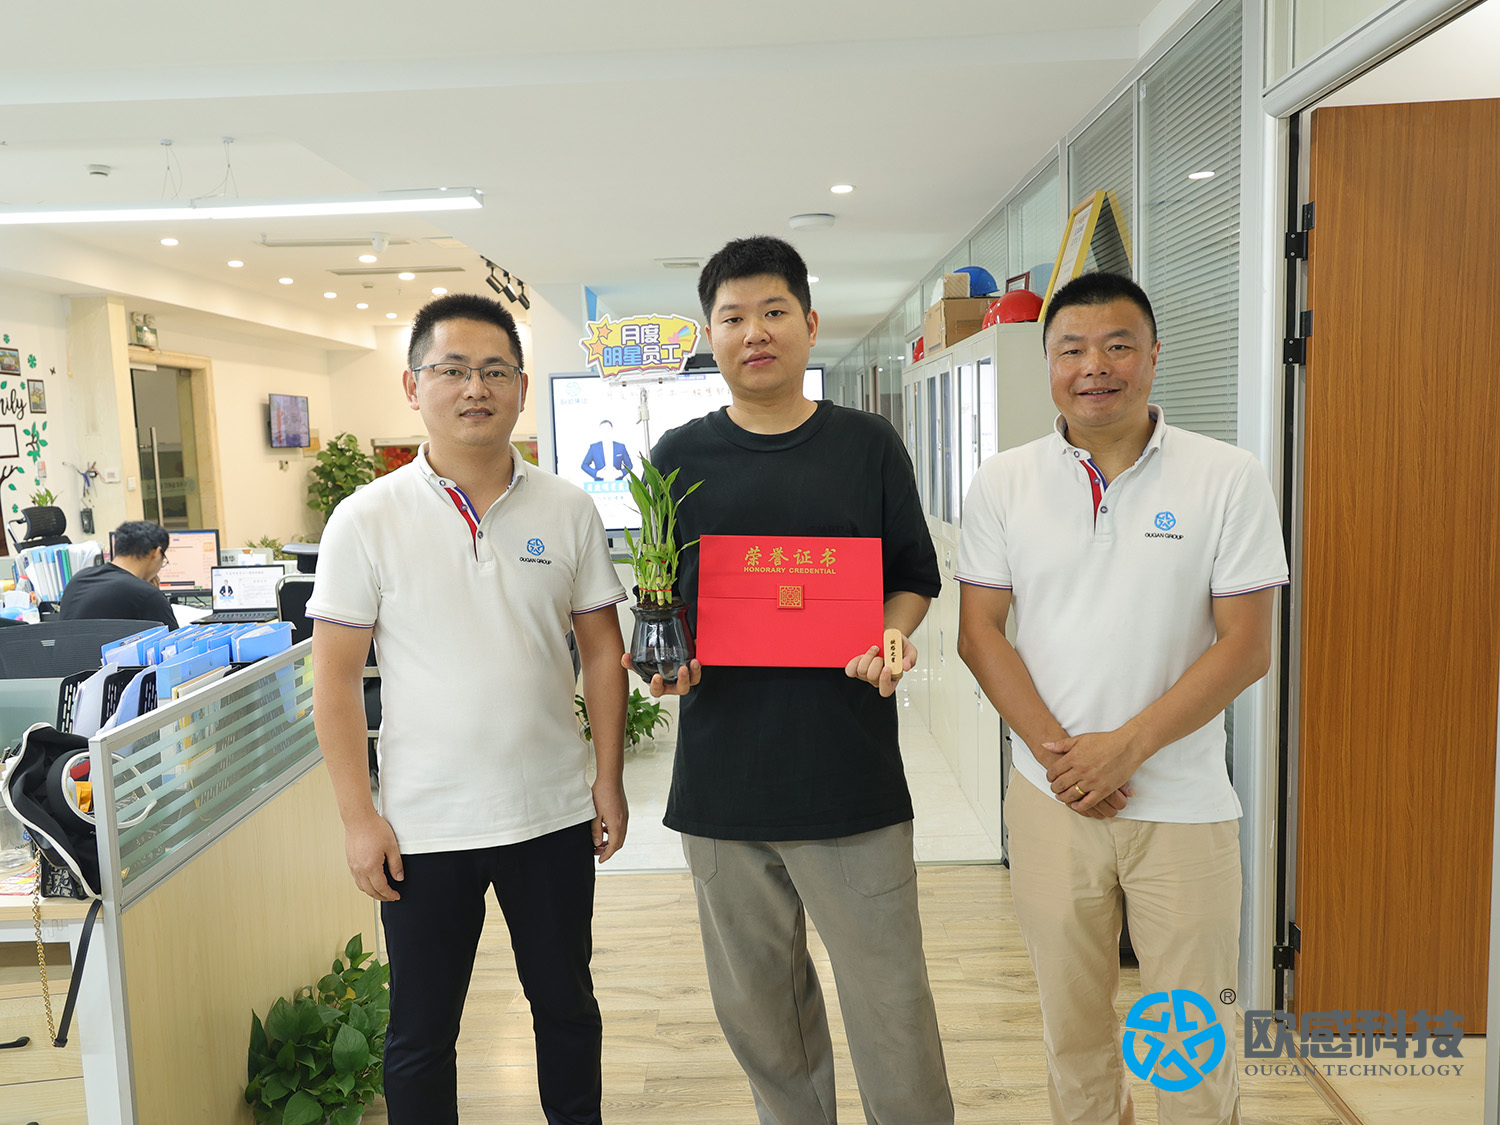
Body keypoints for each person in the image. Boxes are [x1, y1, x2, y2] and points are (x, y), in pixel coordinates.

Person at [955, 271, 1289, 1125]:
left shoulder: (1228, 476)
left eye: (1117, 346)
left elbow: (1247, 645)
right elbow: (980, 633)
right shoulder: (1003, 482)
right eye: (1072, 349)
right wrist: (1066, 761)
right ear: (1047, 363)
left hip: (1184, 804)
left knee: (1189, 1044)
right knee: (1073, 1033)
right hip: (1050, 800)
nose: (1094, 367)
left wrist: (1126, 748)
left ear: (1153, 356)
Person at [639, 236, 954, 1124]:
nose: (755, 332)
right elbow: (662, 599)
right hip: (723, 787)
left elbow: (913, 577)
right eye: (733, 317)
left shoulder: (867, 444)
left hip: (850, 779)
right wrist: (664, 663)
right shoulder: (676, 456)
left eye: (773, 311)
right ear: (711, 336)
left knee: (891, 1007)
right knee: (761, 1016)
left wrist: (891, 636)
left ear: (810, 324)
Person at [309, 292, 629, 1125]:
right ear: (413, 385)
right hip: (424, 824)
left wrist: (608, 778)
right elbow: (334, 680)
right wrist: (358, 818)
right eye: (451, 369)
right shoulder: (365, 518)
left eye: (493, 370)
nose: (474, 388)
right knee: (420, 1033)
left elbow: (602, 651)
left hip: (550, 813)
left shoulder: (567, 507)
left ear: (521, 385)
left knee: (566, 1007)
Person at [58, 519, 177, 630]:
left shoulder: (78, 579)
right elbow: (175, 641)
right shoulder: (147, 595)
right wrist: (153, 595)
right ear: (156, 553)